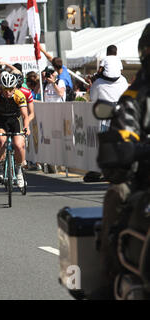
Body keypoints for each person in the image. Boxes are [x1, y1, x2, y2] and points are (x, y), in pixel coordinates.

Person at [95, 23, 150, 299]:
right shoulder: (135, 96)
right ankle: (110, 281)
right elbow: (122, 135)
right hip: (145, 182)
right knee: (117, 195)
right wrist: (128, 148)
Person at [0, 72, 29, 187]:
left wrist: (26, 126)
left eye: (10, 89)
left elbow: (25, 115)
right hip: (1, 120)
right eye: (5, 89)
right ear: (1, 87)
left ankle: (19, 171)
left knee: (19, 145)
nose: (7, 92)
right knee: (1, 140)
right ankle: (0, 167)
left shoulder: (19, 95)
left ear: (14, 87)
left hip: (15, 120)